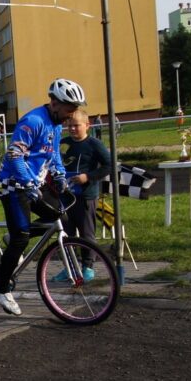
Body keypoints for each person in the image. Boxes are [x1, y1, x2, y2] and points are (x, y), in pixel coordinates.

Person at [0, 78, 85, 316]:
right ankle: (1, 289)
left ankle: (13, 235)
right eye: (69, 109)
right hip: (12, 185)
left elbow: (52, 155)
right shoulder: (33, 121)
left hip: (33, 184)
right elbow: (14, 156)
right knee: (21, 238)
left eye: (74, 110)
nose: (72, 115)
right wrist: (29, 182)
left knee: (57, 218)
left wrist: (61, 176)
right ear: (54, 103)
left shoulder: (55, 124)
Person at [60, 108, 112, 282]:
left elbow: (109, 166)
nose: (73, 129)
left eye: (77, 126)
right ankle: (69, 268)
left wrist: (87, 177)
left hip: (86, 196)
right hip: (66, 196)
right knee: (66, 233)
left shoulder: (94, 144)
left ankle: (87, 266)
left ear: (87, 125)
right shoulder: (63, 143)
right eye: (70, 126)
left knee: (86, 233)